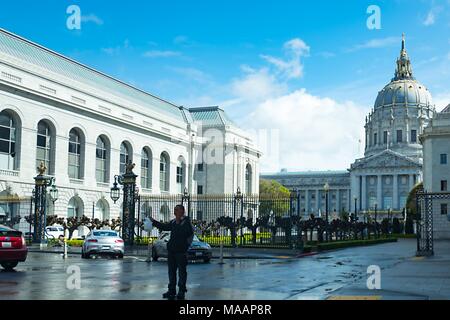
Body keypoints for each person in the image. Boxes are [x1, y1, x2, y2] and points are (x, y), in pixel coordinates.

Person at [150, 205, 194, 300]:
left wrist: (179, 223)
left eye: (176, 210)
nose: (174, 212)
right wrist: (154, 222)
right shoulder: (173, 222)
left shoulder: (187, 222)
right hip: (172, 251)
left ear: (182, 211)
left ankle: (181, 291)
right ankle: (171, 290)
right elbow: (165, 226)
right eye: (174, 210)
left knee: (182, 272)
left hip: (181, 251)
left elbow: (189, 233)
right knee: (171, 272)